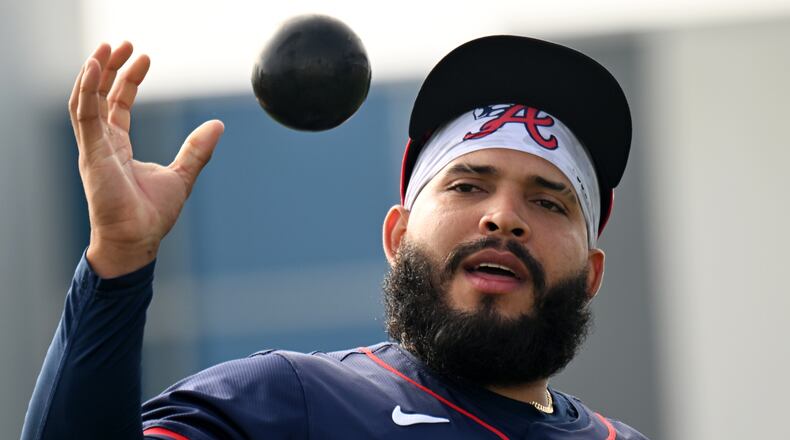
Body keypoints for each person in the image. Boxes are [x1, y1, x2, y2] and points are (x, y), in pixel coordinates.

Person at [22, 35, 647, 439]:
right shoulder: (284, 404)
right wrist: (119, 261)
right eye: (466, 186)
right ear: (398, 236)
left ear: (591, 274)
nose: (503, 217)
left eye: (547, 200)